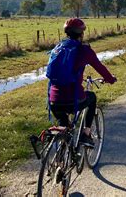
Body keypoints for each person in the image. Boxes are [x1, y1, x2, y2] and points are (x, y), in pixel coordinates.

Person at [48, 18, 117, 147]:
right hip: (73, 99)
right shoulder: (84, 50)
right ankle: (86, 134)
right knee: (91, 97)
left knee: (64, 126)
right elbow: (100, 68)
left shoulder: (58, 48)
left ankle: (61, 159)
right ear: (81, 34)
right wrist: (110, 79)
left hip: (54, 100)